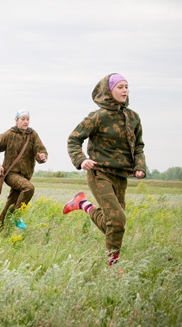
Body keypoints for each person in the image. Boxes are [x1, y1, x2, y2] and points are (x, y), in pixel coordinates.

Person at [63, 73, 146, 266]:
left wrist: (140, 166)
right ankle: (113, 265)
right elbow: (74, 139)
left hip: (121, 176)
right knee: (117, 220)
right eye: (120, 87)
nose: (125, 90)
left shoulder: (133, 117)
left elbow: (139, 146)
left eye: (127, 86)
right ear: (109, 90)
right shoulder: (98, 116)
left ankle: (82, 204)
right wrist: (81, 160)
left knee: (116, 223)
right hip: (99, 174)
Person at [0, 109, 48, 230]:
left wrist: (42, 156)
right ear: (16, 120)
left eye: (27, 119)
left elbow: (40, 150)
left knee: (11, 203)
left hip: (25, 175)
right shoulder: (9, 134)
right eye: (22, 119)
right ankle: (17, 216)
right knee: (28, 188)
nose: (26, 122)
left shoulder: (32, 134)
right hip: (11, 174)